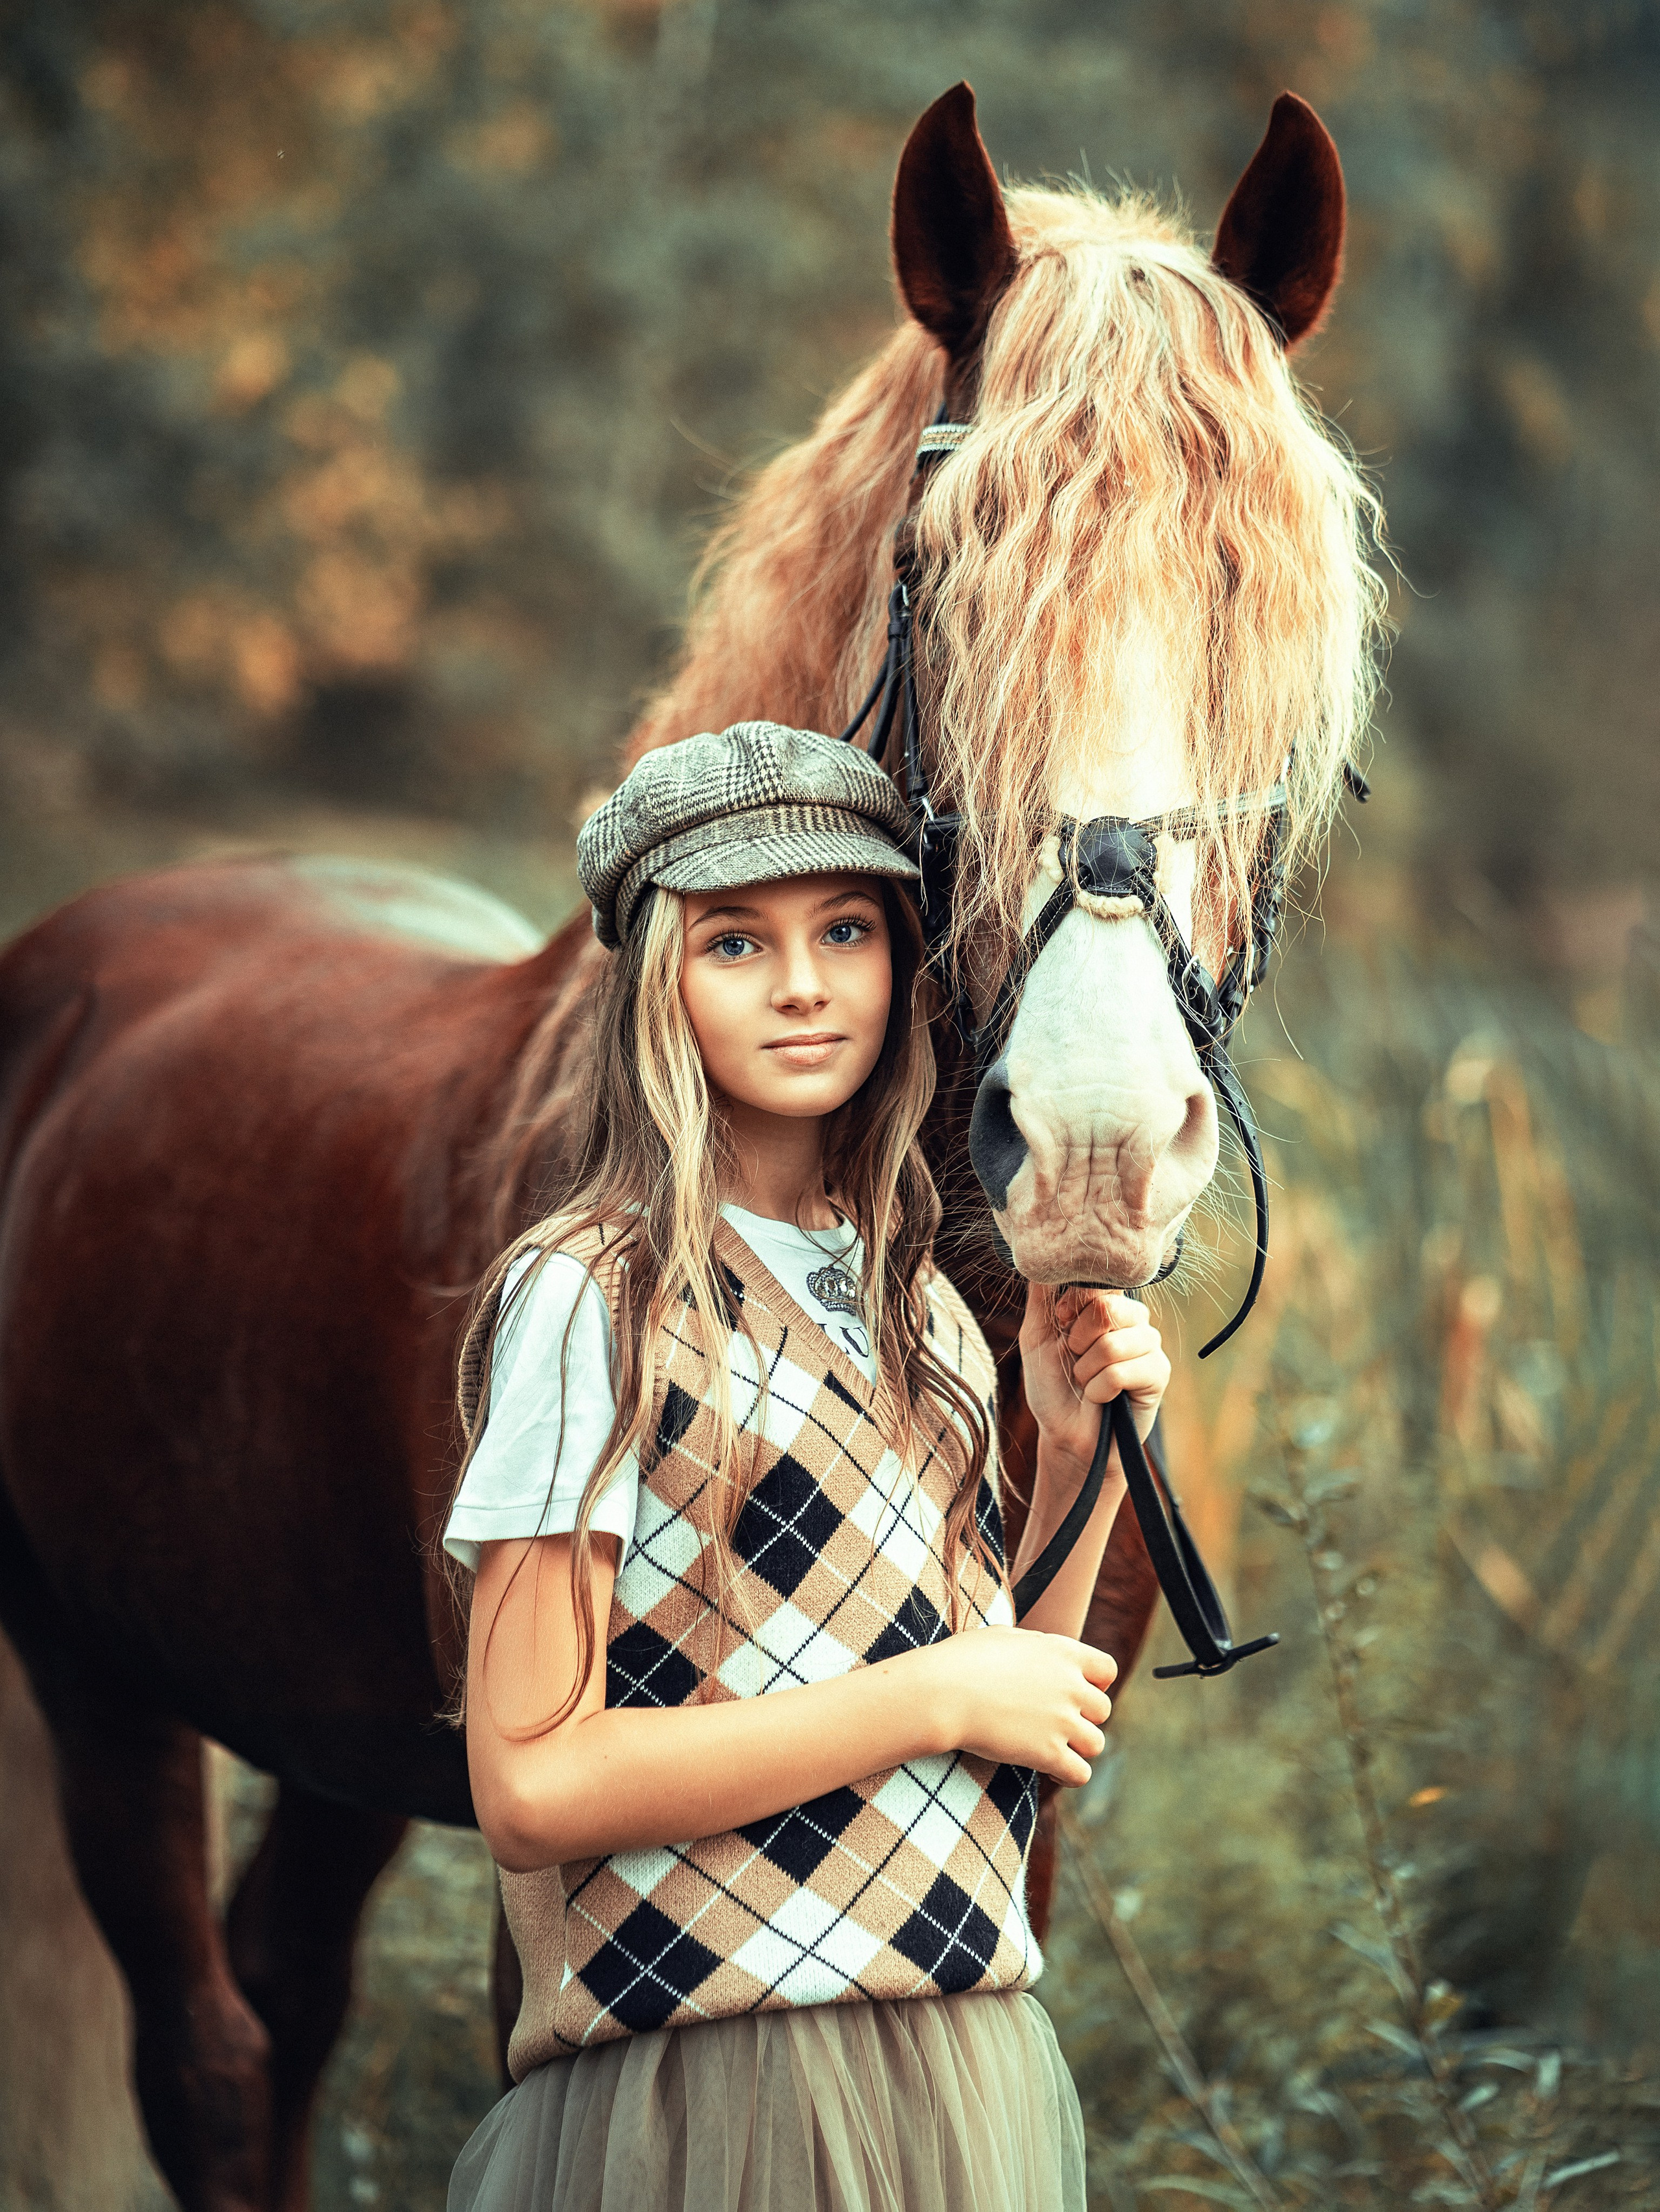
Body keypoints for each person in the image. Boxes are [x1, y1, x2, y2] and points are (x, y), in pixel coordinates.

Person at [440, 722, 1170, 2212]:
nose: (800, 983)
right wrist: (932, 1691)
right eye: (733, 941)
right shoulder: (596, 1294)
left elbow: (997, 1721)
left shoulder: (918, 1308)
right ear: (656, 980)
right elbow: (530, 1776)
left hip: (954, 2061)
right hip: (708, 2086)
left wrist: (1080, 1453)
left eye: (844, 928)